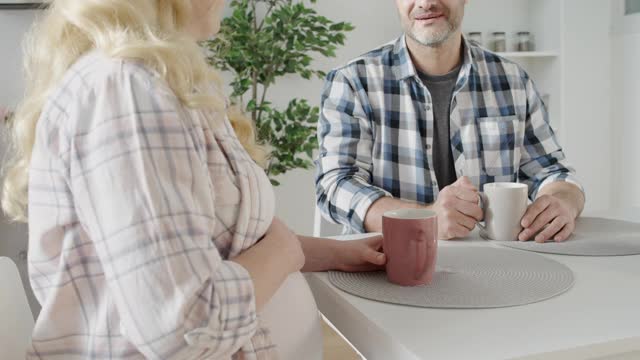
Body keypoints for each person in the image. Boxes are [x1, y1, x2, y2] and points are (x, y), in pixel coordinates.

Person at [1, 1, 386, 359]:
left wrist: (337, 253)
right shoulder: (126, 90)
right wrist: (286, 251)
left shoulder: (148, 83)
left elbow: (222, 244)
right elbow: (184, 328)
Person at [315, 0, 585, 242]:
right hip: (387, 262)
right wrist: (422, 218)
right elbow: (335, 185)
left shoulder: (513, 80)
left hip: (494, 267)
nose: (426, 3)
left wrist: (564, 202)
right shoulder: (352, 81)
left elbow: (553, 172)